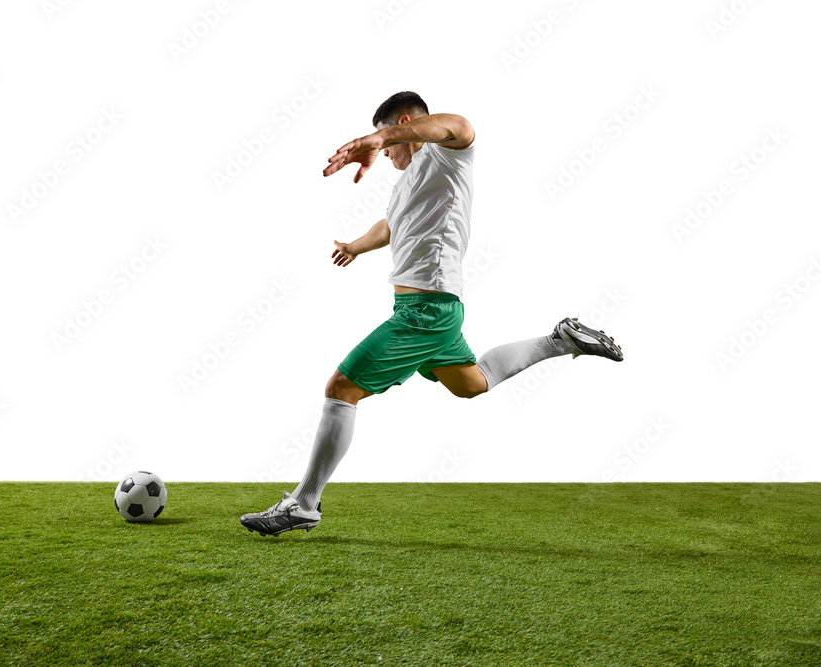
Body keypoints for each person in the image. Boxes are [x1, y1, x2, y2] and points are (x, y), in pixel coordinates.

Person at [240, 91, 622, 537]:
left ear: (404, 125)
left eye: (391, 146)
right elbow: (390, 226)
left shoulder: (446, 155)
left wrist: (376, 138)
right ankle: (561, 340)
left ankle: (304, 504)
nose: (387, 156)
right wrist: (354, 247)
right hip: (428, 310)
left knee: (341, 388)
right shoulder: (407, 183)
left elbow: (457, 125)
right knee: (472, 383)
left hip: (426, 310)